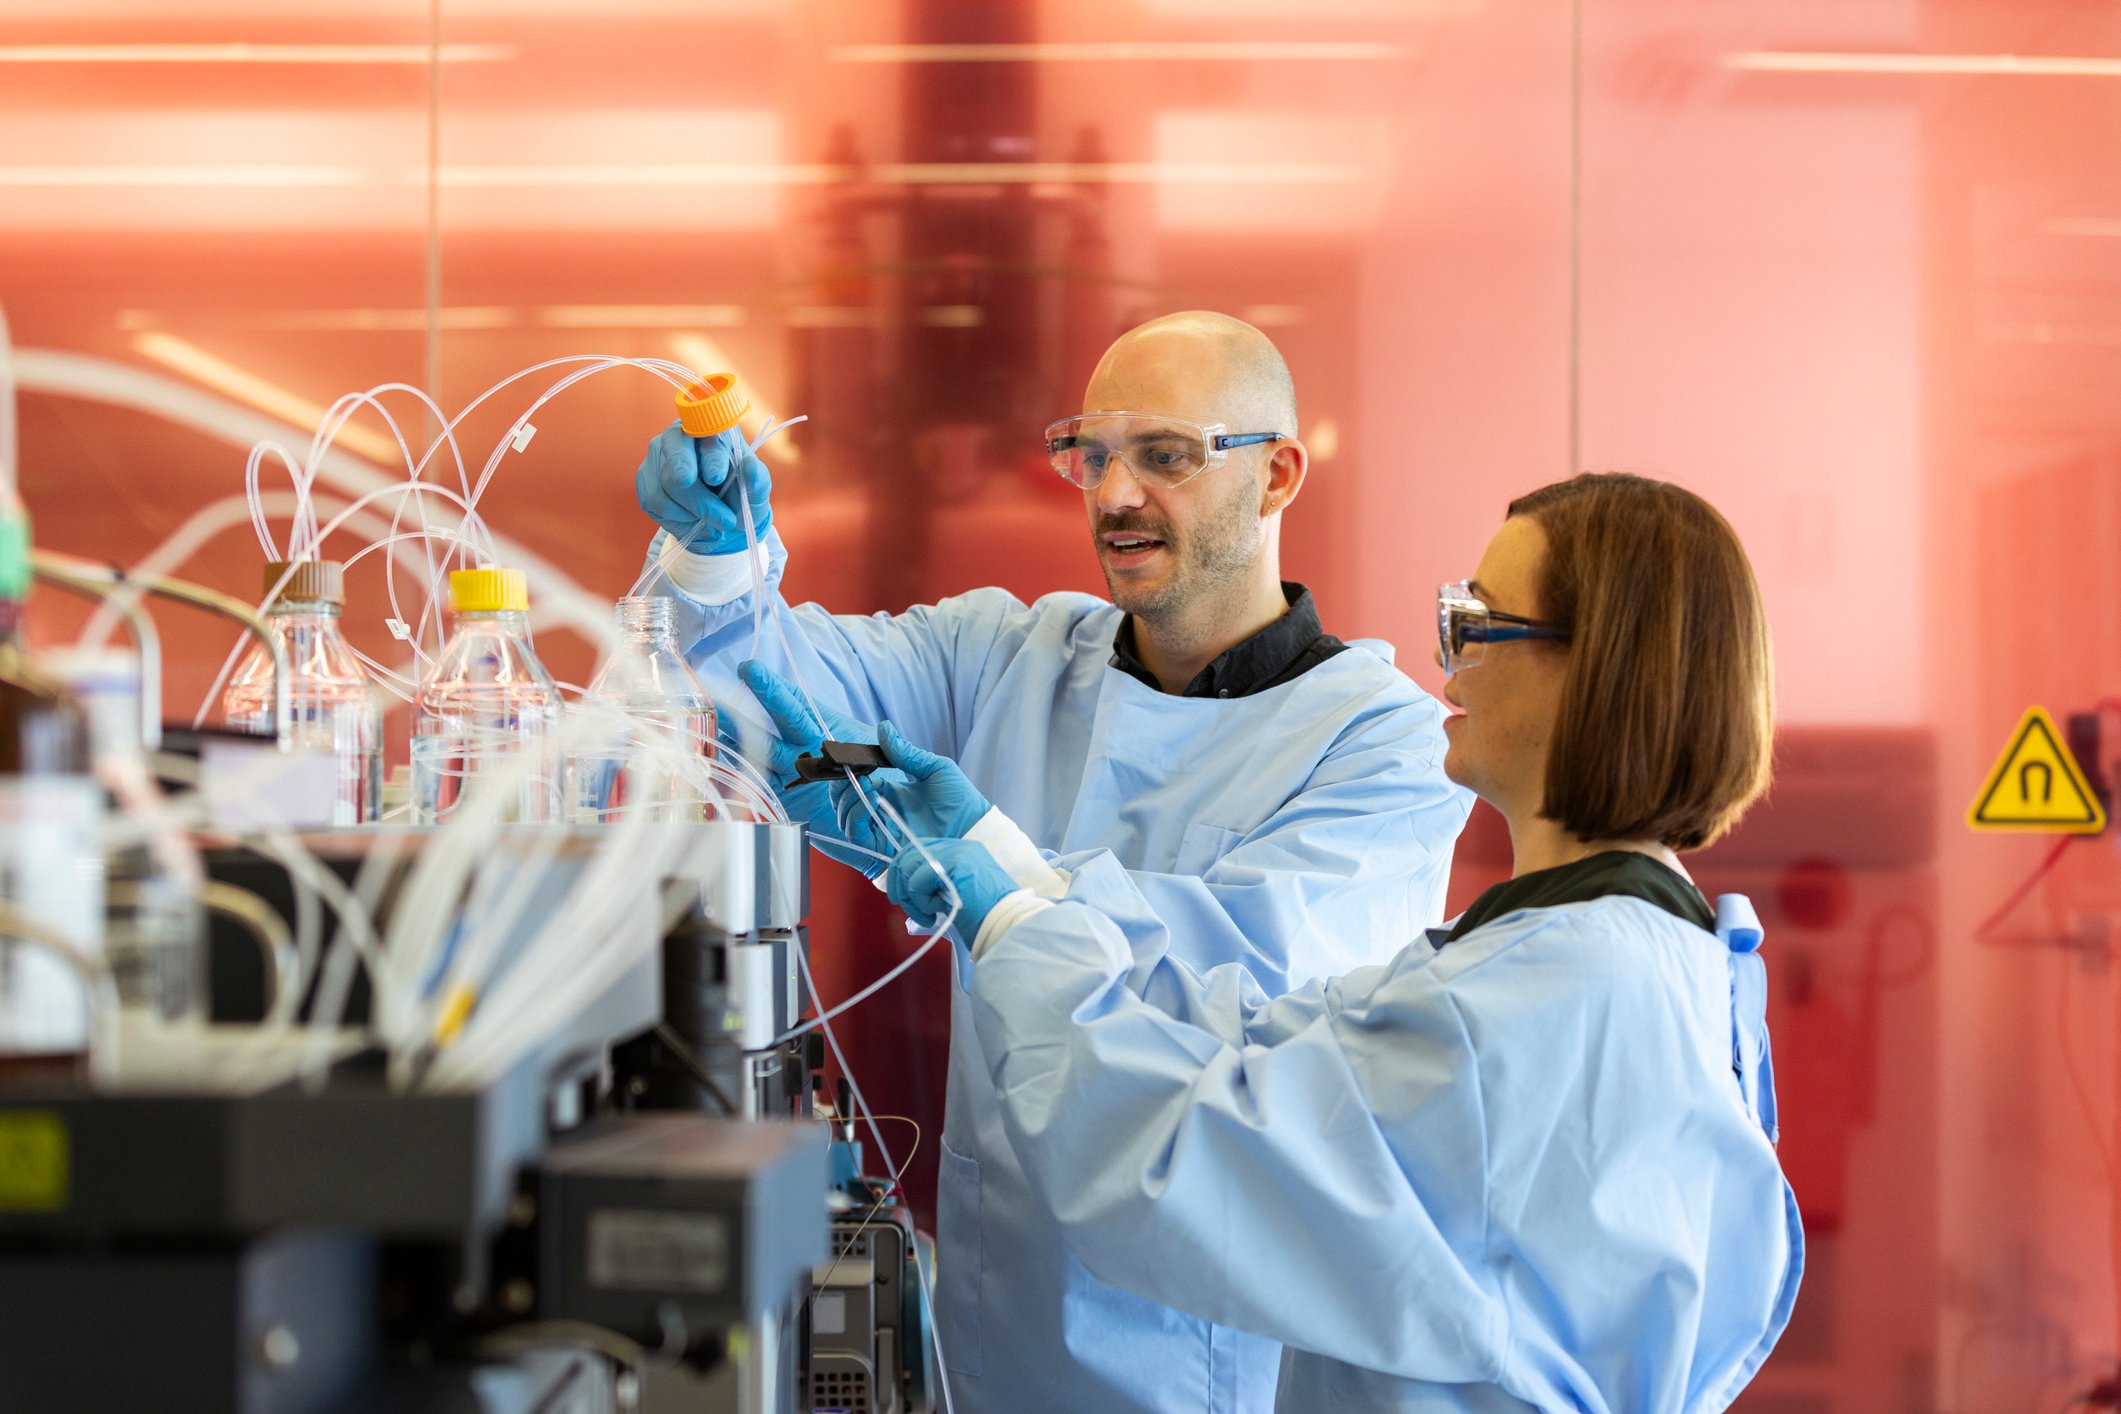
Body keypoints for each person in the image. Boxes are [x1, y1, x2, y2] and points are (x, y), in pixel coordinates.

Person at [629, 310, 1472, 1414]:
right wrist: (716, 555)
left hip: (1221, 1362)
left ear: (1277, 476)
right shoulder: (1006, 656)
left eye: (1164, 455)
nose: (1115, 494)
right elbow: (771, 698)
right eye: (1092, 453)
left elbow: (1247, 983)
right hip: (1002, 1336)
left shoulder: (1386, 743)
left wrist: (998, 870)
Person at [862, 472, 1803, 1411]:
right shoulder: (1624, 944)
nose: (1450, 663)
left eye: (1479, 624)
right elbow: (1269, 1036)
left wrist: (1015, 926)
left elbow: (1182, 1155)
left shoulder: (1557, 993)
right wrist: (1010, 866)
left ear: (1599, 670)